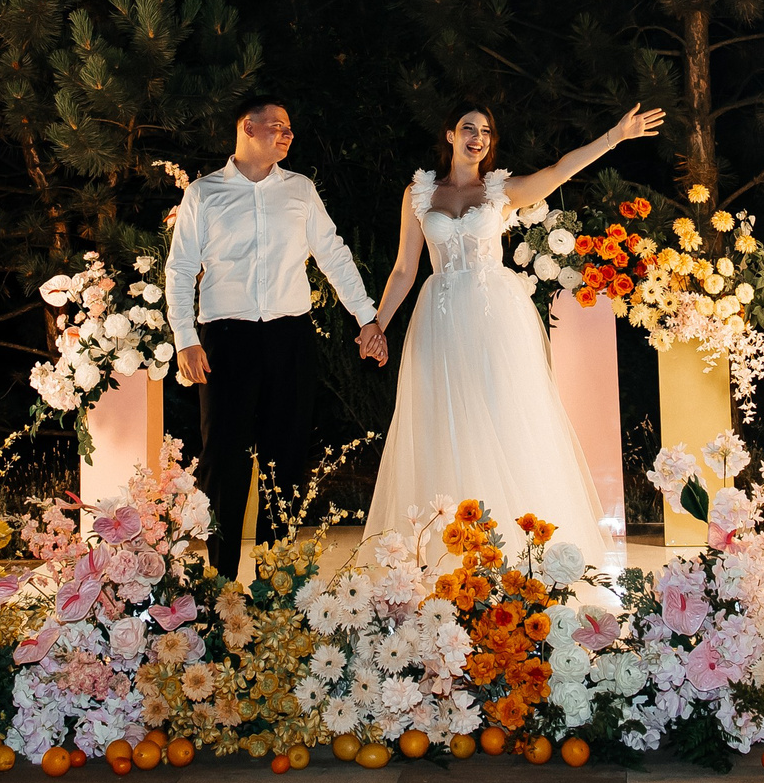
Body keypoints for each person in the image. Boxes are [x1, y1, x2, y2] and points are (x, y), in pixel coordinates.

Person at [360, 101, 664, 581]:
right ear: (449, 135)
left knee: (504, 419)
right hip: (438, 319)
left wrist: (615, 137)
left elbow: (560, 170)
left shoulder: (501, 191)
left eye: (485, 131)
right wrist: (376, 323)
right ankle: (449, 557)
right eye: (467, 128)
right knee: (445, 424)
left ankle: (517, 557)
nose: (477, 137)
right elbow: (403, 269)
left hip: (493, 318)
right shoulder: (418, 193)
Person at [166, 96, 380, 579]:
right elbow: (180, 268)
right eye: (278, 126)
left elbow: (334, 255)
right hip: (225, 342)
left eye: (289, 128)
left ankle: (274, 584)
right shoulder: (204, 193)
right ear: (248, 126)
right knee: (224, 463)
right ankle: (220, 583)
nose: (287, 135)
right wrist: (185, 337)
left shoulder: (300, 190)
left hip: (290, 339)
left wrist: (367, 319)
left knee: (286, 462)